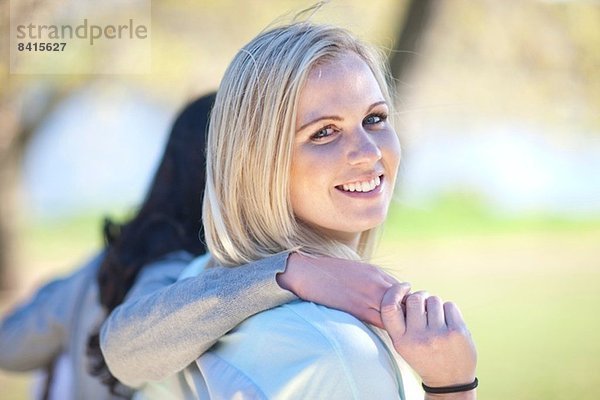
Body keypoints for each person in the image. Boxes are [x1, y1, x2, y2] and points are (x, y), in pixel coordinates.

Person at [129, 21, 478, 399]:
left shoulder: (197, 281)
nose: (369, 152)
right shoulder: (337, 356)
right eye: (323, 132)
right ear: (257, 163)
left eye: (374, 119)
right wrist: (453, 386)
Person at [1, 94, 404, 399]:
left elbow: (11, 345)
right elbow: (126, 349)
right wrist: (289, 272)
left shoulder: (106, 263)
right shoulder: (183, 278)